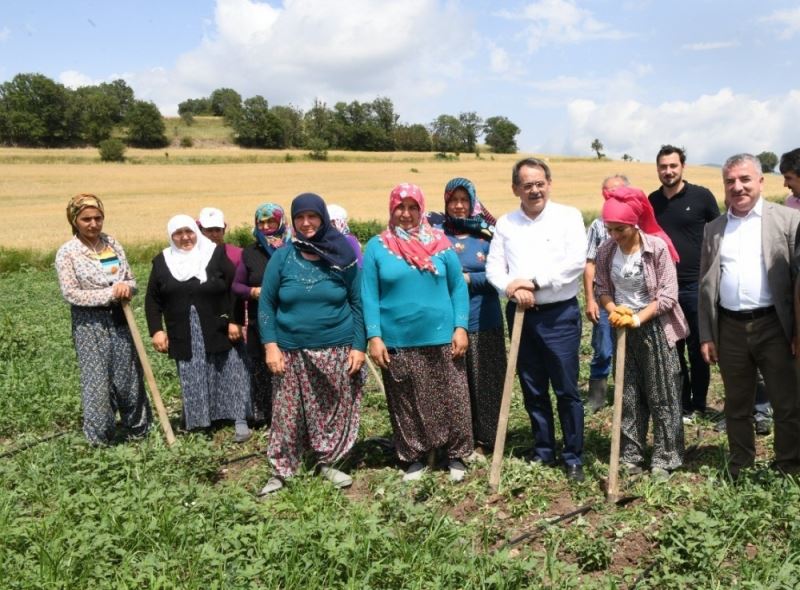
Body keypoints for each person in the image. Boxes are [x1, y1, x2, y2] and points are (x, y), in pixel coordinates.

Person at [362, 183, 473, 483]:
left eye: (413, 207)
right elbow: (369, 295)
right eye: (400, 207)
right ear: (392, 209)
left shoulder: (440, 243)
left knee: (452, 397)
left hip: (442, 336)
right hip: (397, 339)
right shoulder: (377, 246)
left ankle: (455, 454)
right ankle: (414, 456)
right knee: (406, 401)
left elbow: (457, 288)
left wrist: (460, 327)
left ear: (421, 209)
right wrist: (374, 336)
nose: (406, 213)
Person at [486, 158, 587, 482]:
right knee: (532, 387)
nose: (534, 190)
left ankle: (573, 456)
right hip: (521, 315)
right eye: (527, 185)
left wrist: (534, 283)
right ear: (515, 188)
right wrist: (511, 288)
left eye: (540, 183)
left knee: (566, 389)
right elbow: (493, 268)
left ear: (549, 184)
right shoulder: (506, 224)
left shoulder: (568, 217)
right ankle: (543, 450)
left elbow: (575, 262)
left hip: (559, 315)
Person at [699, 153, 800, 478]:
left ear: (761, 181)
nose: (737, 187)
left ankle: (788, 465)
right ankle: (741, 465)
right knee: (737, 403)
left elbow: (796, 280)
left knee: (786, 402)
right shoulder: (714, 229)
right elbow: (706, 284)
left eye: (745, 179)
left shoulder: (787, 220)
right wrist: (707, 334)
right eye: (730, 181)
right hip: (730, 328)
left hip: (775, 325)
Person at [257, 193, 365, 495]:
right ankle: (282, 469)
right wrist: (270, 345)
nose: (306, 223)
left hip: (336, 346)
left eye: (312, 216)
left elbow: (358, 302)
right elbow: (266, 305)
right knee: (286, 413)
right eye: (300, 217)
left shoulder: (342, 255)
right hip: (290, 349)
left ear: (323, 219)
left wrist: (359, 345)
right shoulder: (282, 257)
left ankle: (327, 461)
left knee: (331, 408)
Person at [595, 186, 687, 479]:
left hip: (655, 328)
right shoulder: (606, 251)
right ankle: (631, 454)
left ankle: (666, 457)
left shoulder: (656, 248)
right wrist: (614, 310)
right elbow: (601, 288)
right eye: (609, 229)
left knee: (663, 393)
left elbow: (668, 295)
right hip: (623, 330)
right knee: (628, 394)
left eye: (620, 229)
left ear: (634, 224)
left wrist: (637, 318)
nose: (614, 235)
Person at [145, 215, 251, 443]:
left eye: (189, 232)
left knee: (230, 369)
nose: (185, 237)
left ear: (196, 232)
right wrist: (156, 330)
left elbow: (234, 288)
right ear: (171, 236)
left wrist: (235, 320)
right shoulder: (163, 261)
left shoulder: (214, 254)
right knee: (192, 374)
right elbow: (152, 299)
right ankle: (200, 421)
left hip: (219, 326)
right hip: (184, 330)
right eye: (178, 233)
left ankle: (239, 418)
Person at [55, 194, 152, 445]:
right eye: (86, 219)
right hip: (90, 324)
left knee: (128, 377)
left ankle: (139, 431)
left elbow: (130, 279)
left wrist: (127, 288)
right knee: (97, 381)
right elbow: (71, 293)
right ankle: (100, 437)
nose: (93, 224)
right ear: (74, 220)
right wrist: (109, 293)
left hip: (120, 318)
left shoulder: (111, 244)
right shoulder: (68, 252)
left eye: (98, 218)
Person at [433, 177, 505, 455]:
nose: (459, 205)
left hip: (483, 318)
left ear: (473, 202)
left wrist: (467, 279)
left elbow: (501, 276)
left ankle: (487, 440)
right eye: (453, 200)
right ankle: (459, 438)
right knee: (453, 384)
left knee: (486, 381)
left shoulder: (489, 235)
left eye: (465, 200)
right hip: (447, 323)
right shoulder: (436, 235)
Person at [648, 145, 720, 423]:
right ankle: (682, 404)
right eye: (663, 167)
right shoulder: (652, 202)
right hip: (664, 289)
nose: (668, 171)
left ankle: (699, 403)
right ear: (658, 169)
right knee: (672, 347)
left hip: (696, 286)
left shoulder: (702, 197)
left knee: (699, 346)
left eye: (673, 166)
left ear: (682, 167)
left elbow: (718, 236)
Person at [231, 203, 291, 426]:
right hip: (261, 320)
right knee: (263, 368)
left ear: (281, 221)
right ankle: (266, 416)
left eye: (271, 221)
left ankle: (291, 415)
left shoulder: (294, 248)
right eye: (261, 222)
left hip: (291, 318)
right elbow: (236, 286)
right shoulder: (250, 253)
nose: (265, 226)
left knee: (289, 367)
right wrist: (253, 292)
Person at [584, 174, 628, 413]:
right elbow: (589, 263)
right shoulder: (598, 225)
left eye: (617, 190)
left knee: (631, 349)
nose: (612, 195)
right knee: (602, 348)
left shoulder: (637, 222)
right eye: (607, 191)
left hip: (631, 298)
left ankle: (629, 394)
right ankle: (596, 398)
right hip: (603, 297)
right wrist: (590, 299)